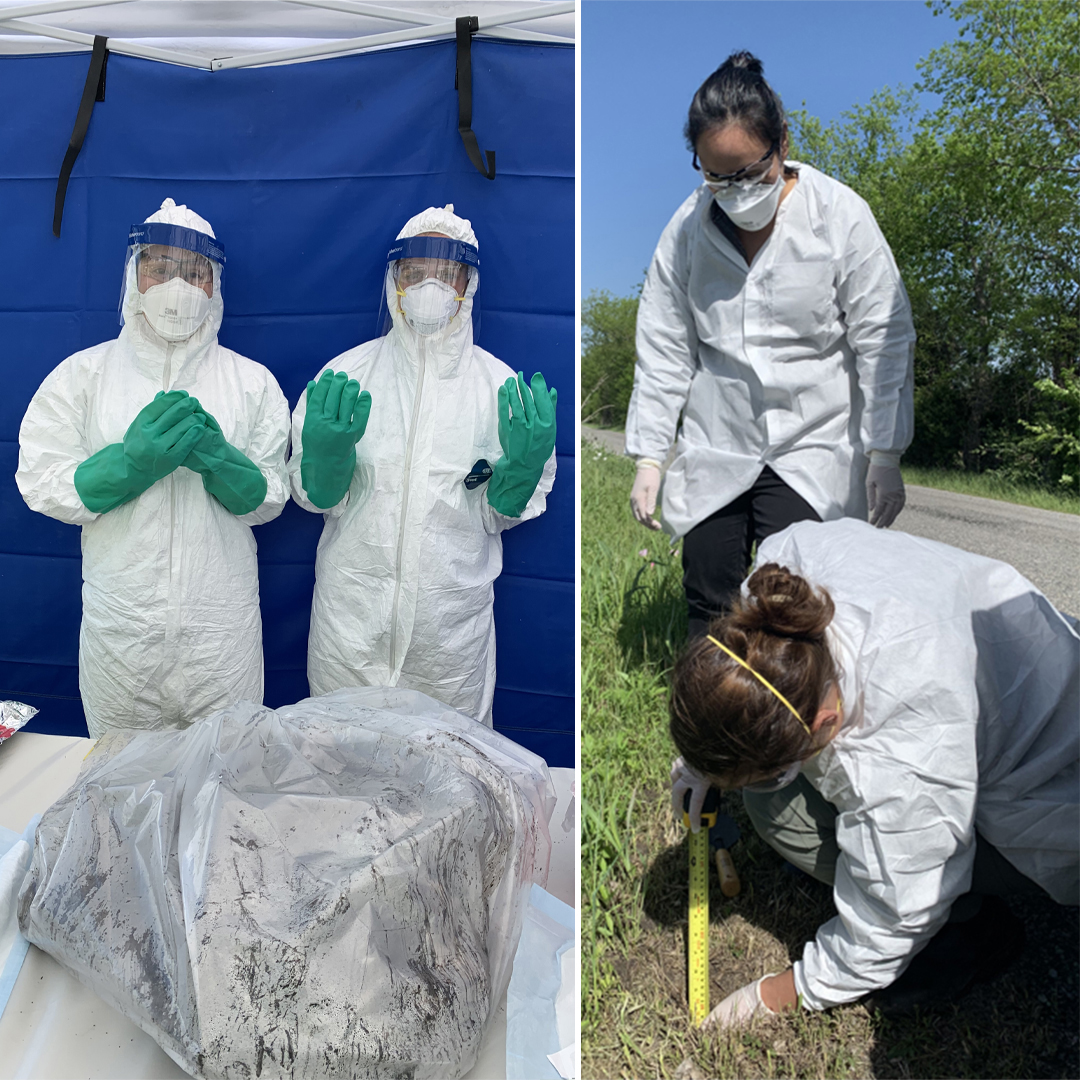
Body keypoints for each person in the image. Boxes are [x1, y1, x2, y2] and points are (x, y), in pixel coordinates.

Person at [669, 517, 1078, 1023]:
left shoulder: (906, 747)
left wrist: (780, 993)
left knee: (783, 811)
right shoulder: (784, 575)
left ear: (824, 721)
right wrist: (706, 758)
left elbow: (897, 913)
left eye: (775, 766)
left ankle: (971, 930)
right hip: (1025, 665)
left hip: (1053, 795)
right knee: (771, 797)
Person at [625, 52, 916, 638]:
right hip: (719, 437)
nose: (735, 192)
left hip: (813, 439)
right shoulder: (686, 232)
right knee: (709, 590)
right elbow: (664, 345)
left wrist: (884, 452)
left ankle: (792, 697)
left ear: (782, 142)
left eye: (750, 173)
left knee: (794, 600)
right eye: (717, 177)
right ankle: (708, 694)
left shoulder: (839, 216)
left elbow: (883, 336)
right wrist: (650, 455)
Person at [16, 198, 290, 738]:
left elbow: (270, 499)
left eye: (194, 272)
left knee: (225, 770)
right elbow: (41, 482)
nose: (177, 285)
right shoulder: (84, 377)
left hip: (221, 636)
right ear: (133, 277)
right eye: (160, 268)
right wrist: (129, 464)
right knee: (119, 773)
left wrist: (219, 460)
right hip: (122, 634)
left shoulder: (252, 383)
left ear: (214, 285)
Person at [289, 204, 557, 727]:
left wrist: (522, 472)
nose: (429, 285)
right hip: (349, 627)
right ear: (395, 280)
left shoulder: (500, 390)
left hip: (449, 642)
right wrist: (324, 460)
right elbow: (317, 499)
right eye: (415, 271)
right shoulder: (346, 376)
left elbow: (497, 514)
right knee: (340, 759)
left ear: (467, 284)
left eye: (445, 272)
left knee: (450, 765)